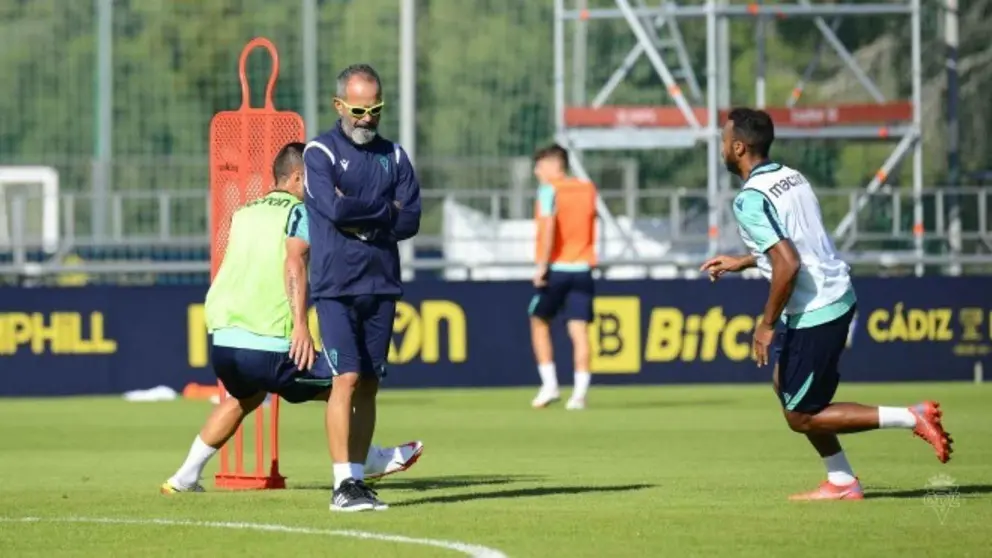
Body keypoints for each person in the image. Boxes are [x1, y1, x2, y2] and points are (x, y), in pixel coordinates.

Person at [701, 108, 953, 501]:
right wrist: (744, 261)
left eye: (723, 141)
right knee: (785, 385)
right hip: (833, 294)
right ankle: (841, 480)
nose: (720, 148)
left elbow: (788, 263)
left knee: (800, 415)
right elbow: (795, 245)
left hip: (816, 308)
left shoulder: (750, 199)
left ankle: (910, 417)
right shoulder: (791, 177)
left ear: (738, 148)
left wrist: (765, 325)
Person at [161, 142, 423, 496]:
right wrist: (301, 324)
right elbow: (294, 261)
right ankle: (366, 460)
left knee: (243, 399)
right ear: (299, 177)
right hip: (270, 341)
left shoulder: (244, 212)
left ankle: (183, 478)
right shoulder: (301, 212)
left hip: (225, 339)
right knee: (350, 381)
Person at [303, 64, 422, 512]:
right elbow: (333, 210)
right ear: (339, 106)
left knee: (369, 383)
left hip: (382, 284)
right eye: (358, 110)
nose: (367, 118)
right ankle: (342, 485)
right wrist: (386, 209)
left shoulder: (395, 156)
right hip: (336, 285)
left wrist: (365, 211)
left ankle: (358, 480)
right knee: (346, 378)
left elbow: (411, 219)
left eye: (375, 109)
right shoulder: (320, 152)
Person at [528, 144, 597, 411]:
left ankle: (550, 385)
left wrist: (542, 266)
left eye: (539, 166)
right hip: (583, 268)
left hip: (557, 268)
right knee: (579, 331)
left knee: (538, 320)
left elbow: (549, 228)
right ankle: (579, 395)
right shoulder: (587, 188)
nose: (537, 172)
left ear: (554, 164)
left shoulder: (549, 190)